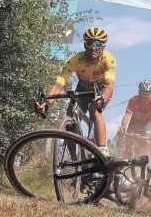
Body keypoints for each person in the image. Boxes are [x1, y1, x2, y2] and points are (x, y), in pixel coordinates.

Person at [35, 27, 116, 156]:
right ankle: (74, 156)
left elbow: (109, 84)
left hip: (100, 89)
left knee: (94, 110)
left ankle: (102, 149)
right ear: (85, 45)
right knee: (70, 113)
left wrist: (103, 98)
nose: (93, 47)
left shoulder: (108, 59)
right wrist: (46, 102)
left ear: (103, 47)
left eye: (98, 44)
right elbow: (59, 83)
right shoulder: (75, 60)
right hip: (82, 88)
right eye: (90, 43)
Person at [117, 80, 151, 157]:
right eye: (143, 93)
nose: (145, 96)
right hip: (135, 121)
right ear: (139, 92)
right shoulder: (133, 100)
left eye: (148, 93)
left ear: (150, 93)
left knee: (148, 141)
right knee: (128, 140)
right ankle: (126, 154)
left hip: (147, 122)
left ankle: (147, 156)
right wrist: (123, 127)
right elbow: (127, 114)